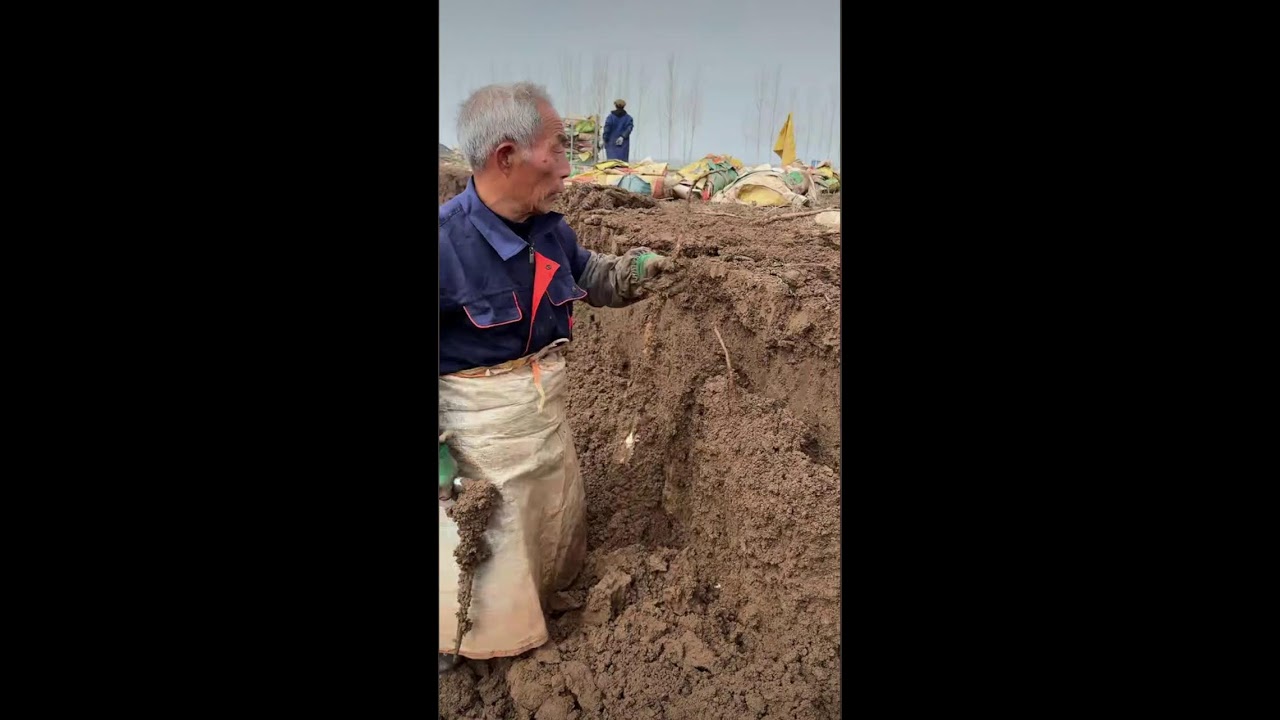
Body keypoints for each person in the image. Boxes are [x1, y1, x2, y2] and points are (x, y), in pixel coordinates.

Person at [438, 82, 672, 673]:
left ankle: (545, 598)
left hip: (543, 420)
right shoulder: (446, 246)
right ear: (507, 156)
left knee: (550, 527)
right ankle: (462, 642)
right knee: (480, 555)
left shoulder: (550, 229)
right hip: (477, 438)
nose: (569, 167)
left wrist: (635, 271)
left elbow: (590, 275)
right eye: (558, 150)